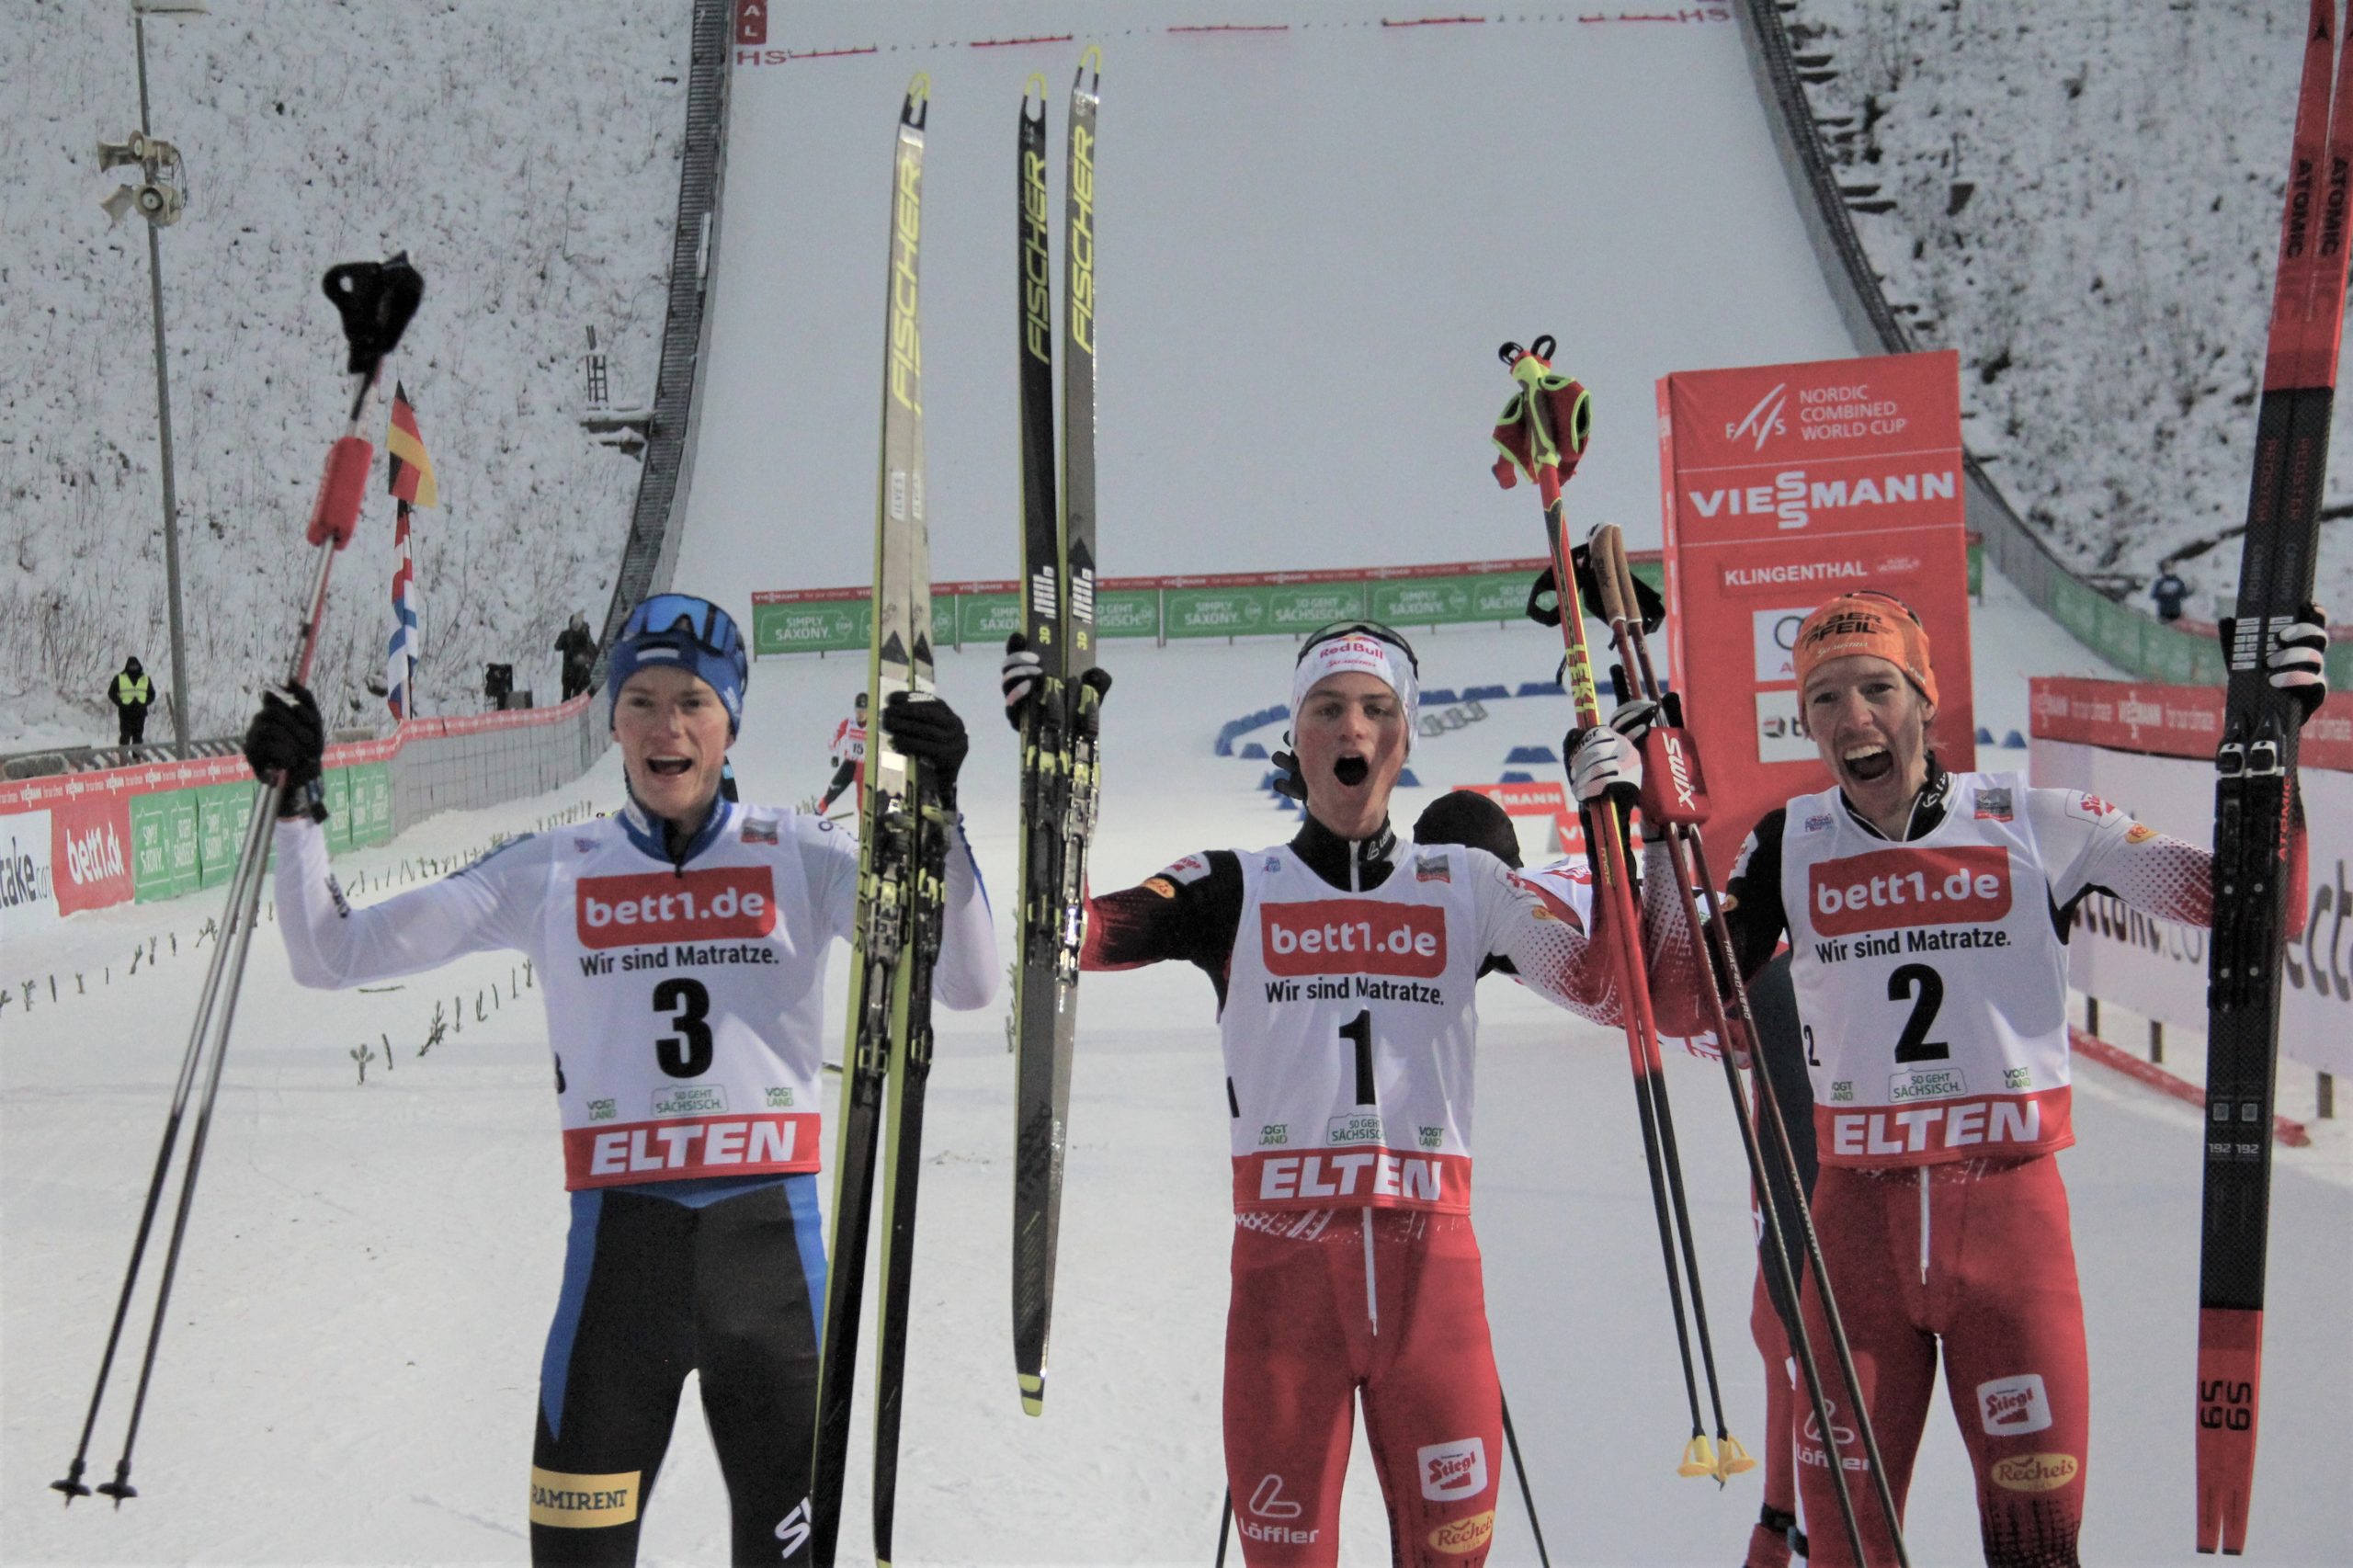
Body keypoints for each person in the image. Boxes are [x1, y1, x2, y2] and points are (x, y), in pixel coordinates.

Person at [246, 592, 997, 1565]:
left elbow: (969, 980)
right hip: (617, 1281)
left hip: (769, 1277)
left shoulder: (803, 858)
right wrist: (298, 803)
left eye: (693, 701)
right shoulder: (556, 868)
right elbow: (332, 952)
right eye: (640, 700)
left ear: (732, 720)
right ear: (611, 721)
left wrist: (941, 815)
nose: (666, 726)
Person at [1610, 589, 2326, 1568]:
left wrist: (2275, 745)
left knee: (2034, 1549)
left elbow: (2252, 907)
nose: (1853, 719)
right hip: (1853, 1238)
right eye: (1823, 699)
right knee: (1847, 1552)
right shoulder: (1791, 841)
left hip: (2008, 1231)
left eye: (1875, 689)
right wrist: (1648, 832)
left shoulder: (2038, 822)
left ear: (1926, 700)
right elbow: (1682, 998)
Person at [1011, 623, 1634, 1567]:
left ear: (1405, 738)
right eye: (1328, 706)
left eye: (1378, 709)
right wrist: (1053, 774)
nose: (1354, 726)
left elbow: (1608, 986)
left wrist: (1618, 819)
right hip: (1282, 1306)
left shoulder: (1466, 883)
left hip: (1436, 1299)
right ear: (1296, 738)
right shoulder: (1230, 886)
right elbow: (1075, 934)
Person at [1412, 788, 1814, 1568]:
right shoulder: (1529, 893)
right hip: (1766, 1016)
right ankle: (1783, 1524)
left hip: (1786, 1013)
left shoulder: (1519, 915)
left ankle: (1799, 1531)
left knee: (1795, 1310)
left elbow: (1642, 985)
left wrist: (1637, 839)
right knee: (1779, 1315)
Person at [815, 690, 867, 814]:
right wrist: (835, 755)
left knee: (863, 803)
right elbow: (834, 739)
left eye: (864, 711)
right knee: (832, 792)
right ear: (855, 710)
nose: (860, 714)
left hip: (866, 767)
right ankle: (816, 814)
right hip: (850, 764)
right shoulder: (848, 723)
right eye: (858, 710)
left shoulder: (874, 725)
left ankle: (865, 830)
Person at [108, 655, 153, 746]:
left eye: (135, 666)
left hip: (140, 712)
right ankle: (124, 758)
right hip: (125, 712)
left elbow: (151, 694)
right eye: (132, 666)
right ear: (127, 666)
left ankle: (137, 759)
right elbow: (111, 693)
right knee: (125, 737)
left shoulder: (145, 678)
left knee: (138, 737)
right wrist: (121, 703)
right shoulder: (119, 678)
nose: (133, 668)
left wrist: (144, 703)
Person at [557, 611, 597, 702]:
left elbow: (594, 652)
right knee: (567, 700)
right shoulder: (566, 635)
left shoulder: (583, 636)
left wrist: (587, 634)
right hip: (570, 674)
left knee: (582, 700)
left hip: (580, 675)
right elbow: (557, 646)